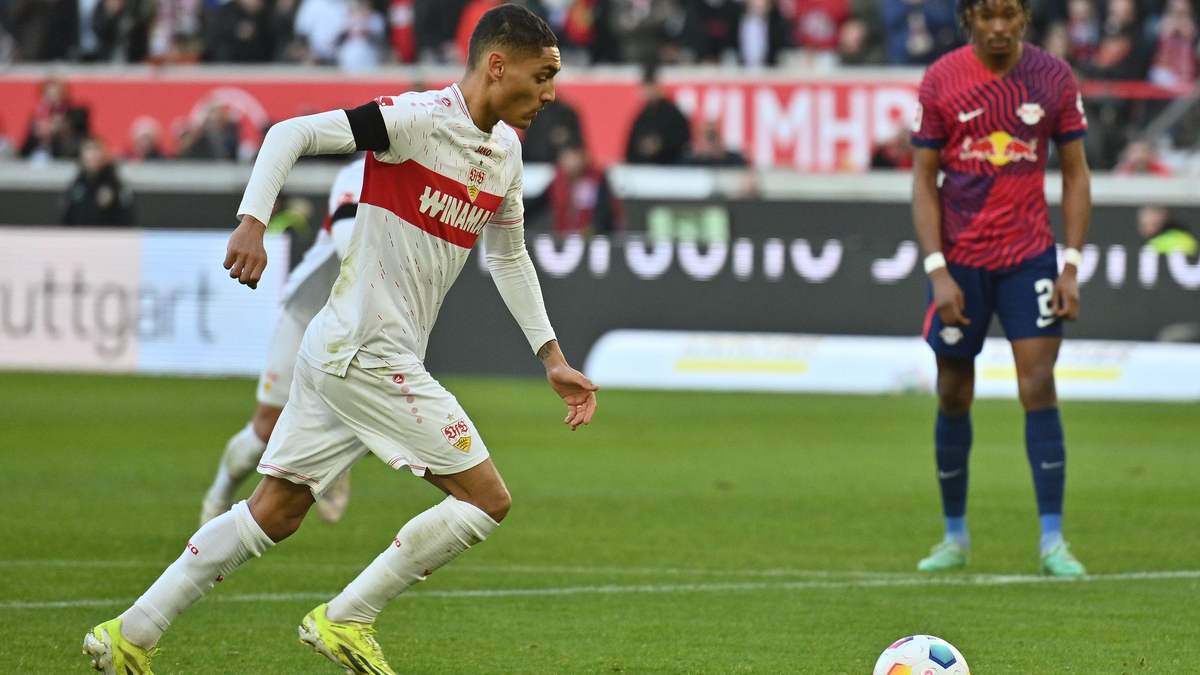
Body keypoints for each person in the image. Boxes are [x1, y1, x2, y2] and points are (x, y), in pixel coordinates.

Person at [82, 6, 598, 675]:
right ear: (498, 65)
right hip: (364, 351)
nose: (552, 92)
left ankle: (130, 632)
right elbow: (289, 132)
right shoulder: (413, 120)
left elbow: (508, 258)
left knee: (278, 508)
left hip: (346, 349)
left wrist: (551, 356)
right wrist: (252, 222)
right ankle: (348, 616)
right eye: (544, 73)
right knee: (486, 498)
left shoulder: (506, 153)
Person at [910, 0, 1091, 576]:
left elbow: (1076, 171)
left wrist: (1071, 264)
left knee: (1038, 384)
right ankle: (954, 537)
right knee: (952, 391)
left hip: (1029, 258)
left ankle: (1053, 541)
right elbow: (923, 180)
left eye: (1007, 14)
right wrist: (938, 269)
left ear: (1023, 18)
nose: (996, 26)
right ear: (968, 19)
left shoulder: (1053, 77)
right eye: (985, 15)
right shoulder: (942, 79)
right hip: (961, 260)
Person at [199, 157, 365, 528]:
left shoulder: (430, 181)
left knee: (389, 419)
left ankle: (333, 455)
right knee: (266, 429)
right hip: (308, 311)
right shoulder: (360, 174)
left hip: (364, 322)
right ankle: (219, 493)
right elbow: (353, 251)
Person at [61, 137, 134, 226]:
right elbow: (65, 219)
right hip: (79, 237)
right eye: (88, 149)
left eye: (96, 149)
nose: (92, 154)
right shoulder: (76, 185)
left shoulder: (115, 185)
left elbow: (127, 218)